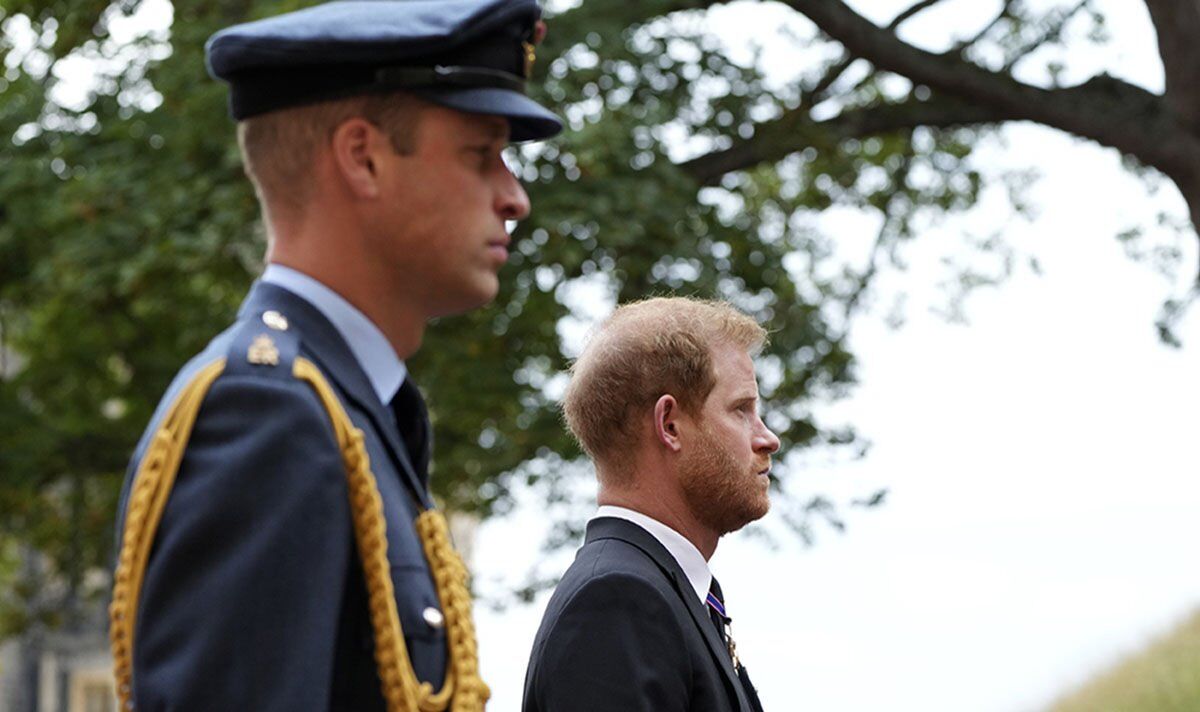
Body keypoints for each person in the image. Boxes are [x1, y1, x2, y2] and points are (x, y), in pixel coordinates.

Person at [107, 1, 561, 710]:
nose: (514, 197)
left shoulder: (346, 408)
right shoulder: (267, 414)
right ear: (363, 157)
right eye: (481, 154)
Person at [522, 297, 781, 712]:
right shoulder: (618, 601)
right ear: (670, 425)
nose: (768, 438)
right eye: (741, 410)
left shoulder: (658, 592)